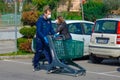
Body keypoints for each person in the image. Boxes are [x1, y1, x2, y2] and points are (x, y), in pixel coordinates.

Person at [33, 5, 55, 71]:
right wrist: (44, 37)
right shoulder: (40, 20)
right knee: (38, 52)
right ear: (45, 13)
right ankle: (36, 65)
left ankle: (51, 66)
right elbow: (39, 31)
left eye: (50, 13)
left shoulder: (49, 21)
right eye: (48, 13)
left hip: (46, 40)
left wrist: (55, 34)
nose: (49, 15)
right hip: (40, 40)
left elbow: (51, 29)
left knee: (48, 52)